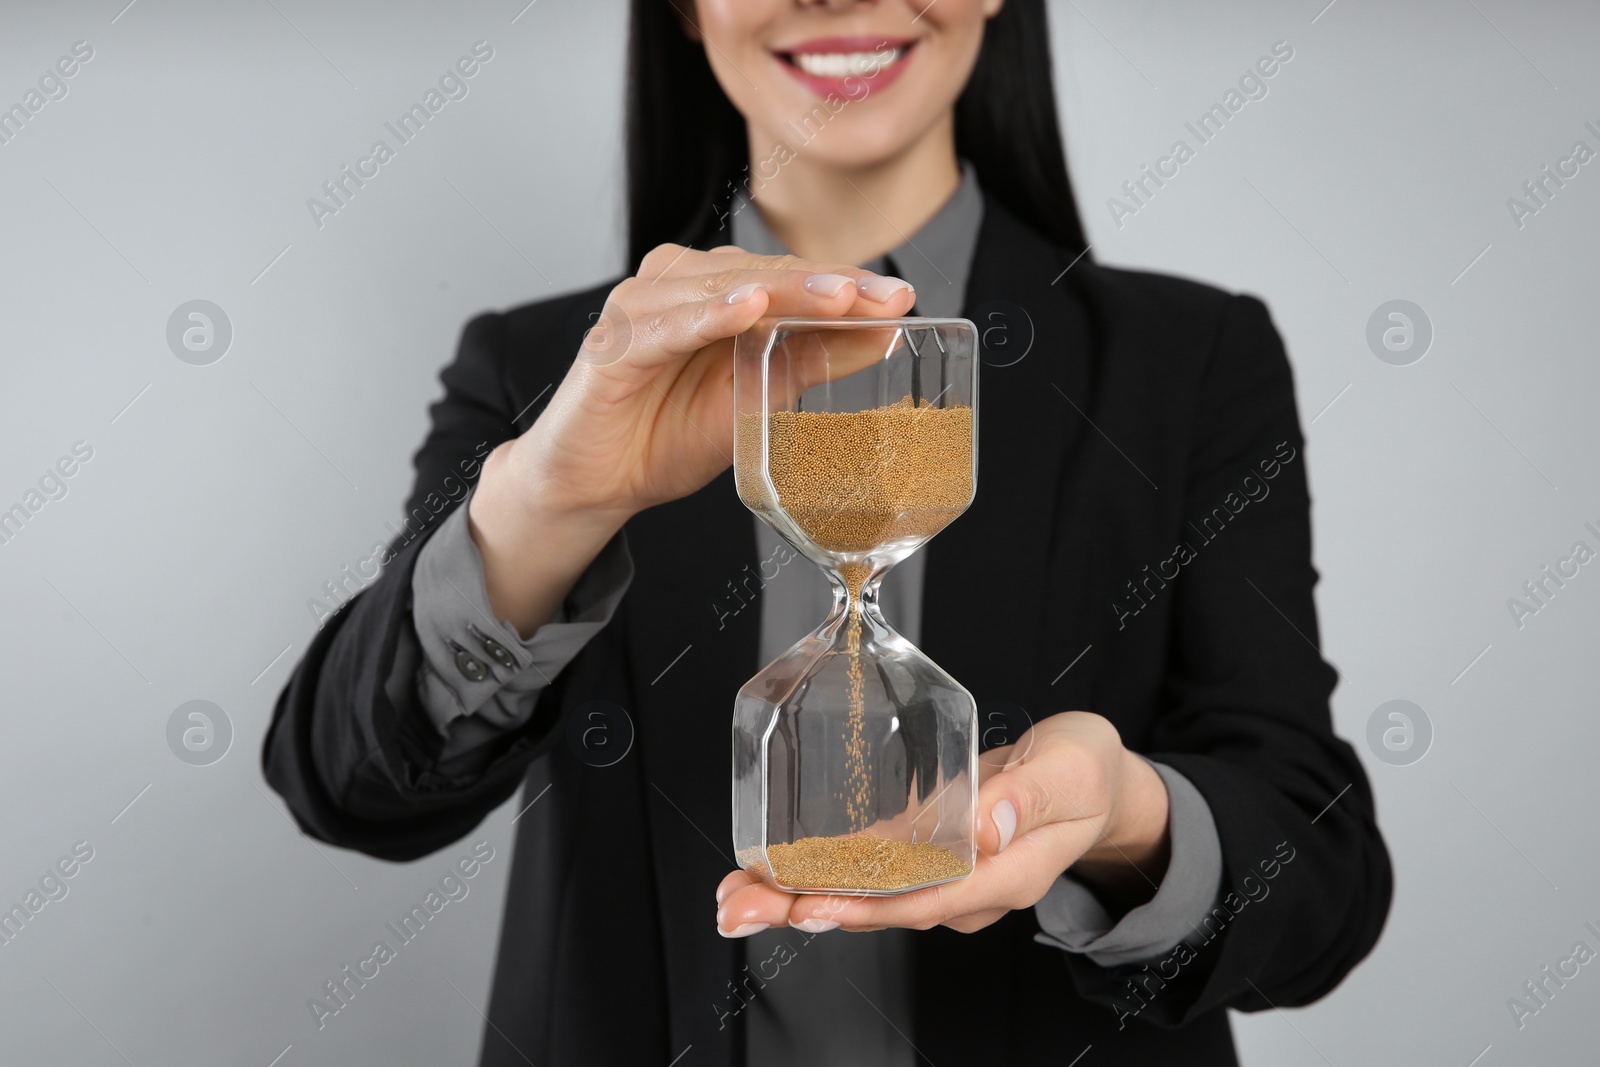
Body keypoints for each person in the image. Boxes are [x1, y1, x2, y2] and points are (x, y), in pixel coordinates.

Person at [263, 1, 1392, 1064]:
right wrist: (549, 504)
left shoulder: (1185, 358)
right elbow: (345, 782)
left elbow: (1321, 879)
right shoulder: (546, 366)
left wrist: (1126, 818)